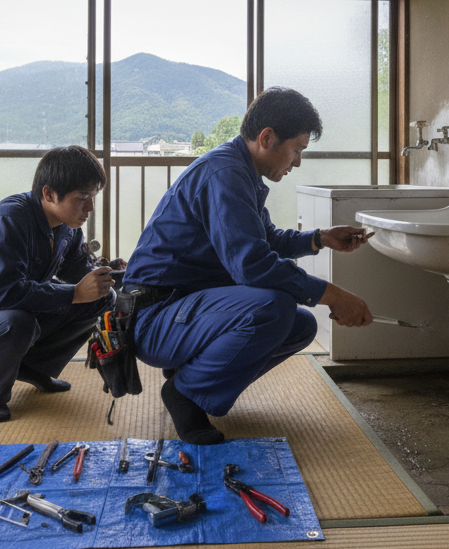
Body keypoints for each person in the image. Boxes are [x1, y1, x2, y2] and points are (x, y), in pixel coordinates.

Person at [121, 87, 375, 445]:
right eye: (297, 149)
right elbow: (252, 266)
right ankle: (186, 393)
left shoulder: (241, 172)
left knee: (299, 324)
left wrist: (319, 238)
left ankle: (187, 375)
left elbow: (265, 240)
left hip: (181, 310)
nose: (298, 161)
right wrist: (332, 295)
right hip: (154, 315)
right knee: (273, 307)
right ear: (267, 137)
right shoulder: (224, 174)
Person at [0, 145, 118, 423]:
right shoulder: (9, 220)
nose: (89, 207)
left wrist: (107, 274)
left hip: (6, 317)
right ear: (49, 193)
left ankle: (32, 367)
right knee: (16, 321)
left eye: (93, 197)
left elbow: (78, 272)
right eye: (82, 198)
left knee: (102, 297)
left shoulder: (67, 227)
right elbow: (2, 295)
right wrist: (75, 293)